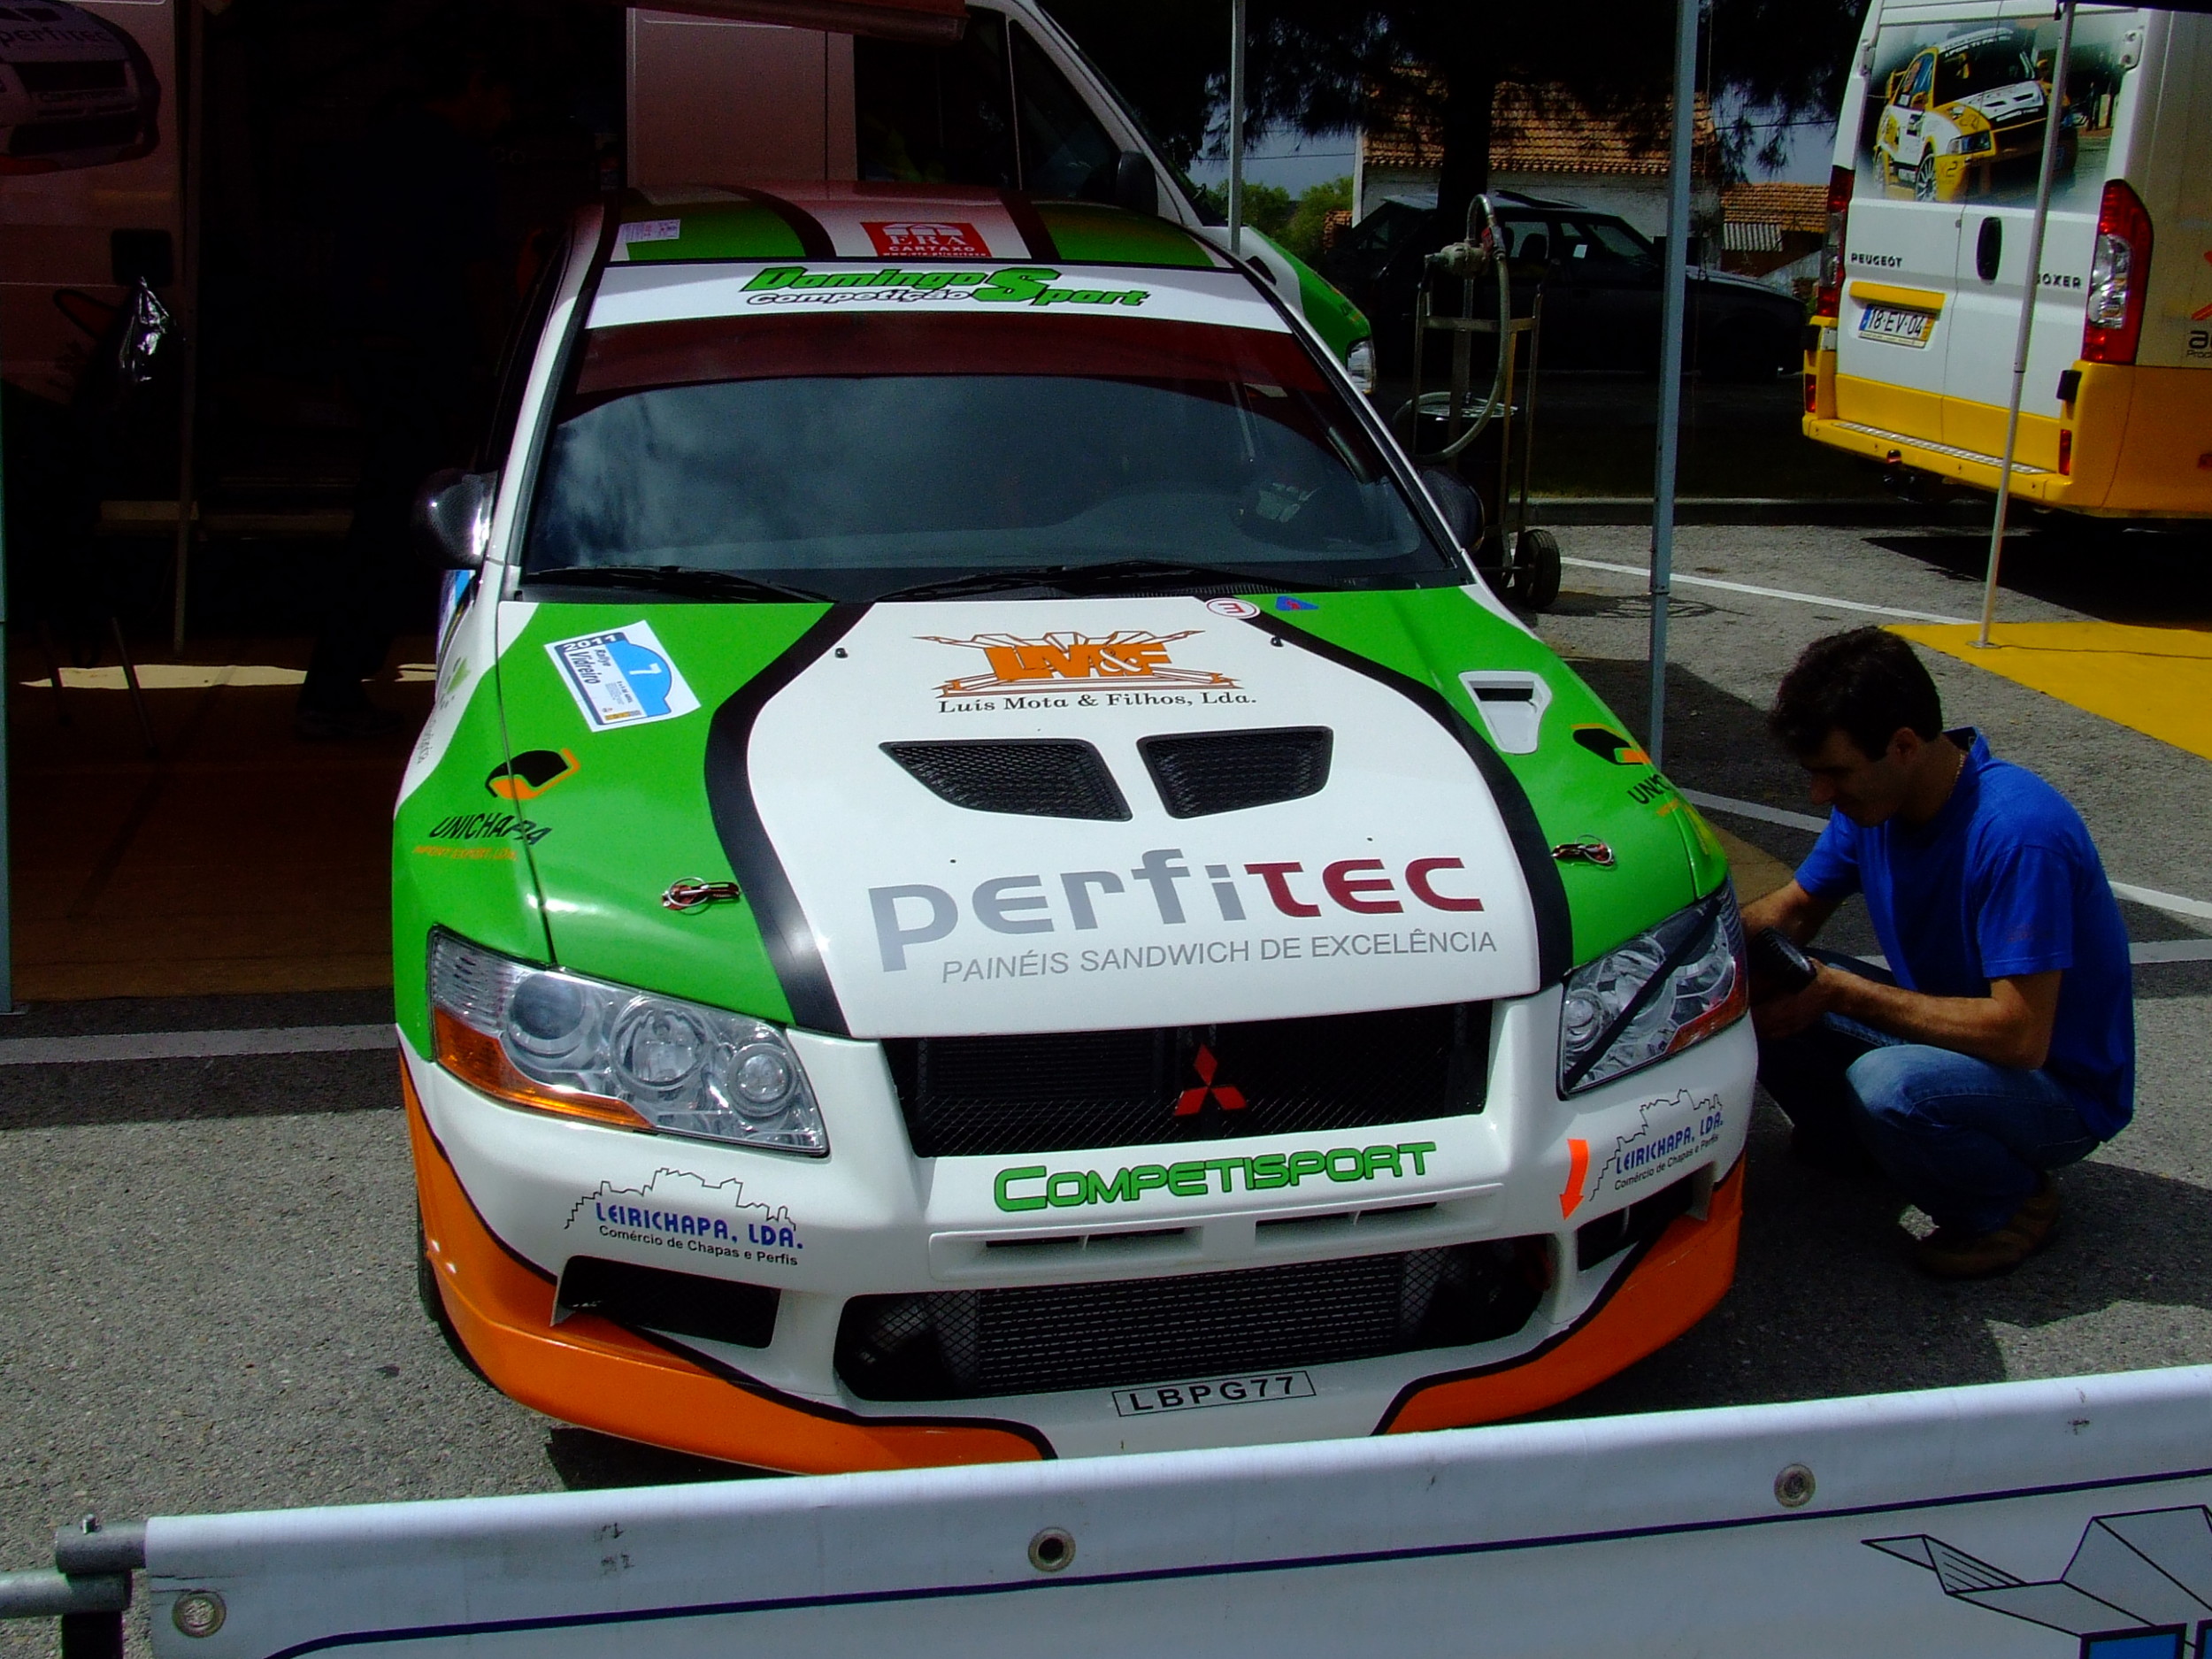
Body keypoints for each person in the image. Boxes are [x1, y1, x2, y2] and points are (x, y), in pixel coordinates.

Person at [1744, 627, 2135, 1279]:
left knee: (1890, 1086)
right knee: (1771, 978)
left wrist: (1842, 991)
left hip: (2058, 1088)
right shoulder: (1880, 801)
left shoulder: (2018, 835)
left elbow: (2020, 1037)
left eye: (1834, 773)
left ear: (1903, 745)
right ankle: (1871, 1150)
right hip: (1961, 1041)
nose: (1819, 794)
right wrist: (1703, 957)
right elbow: (1797, 909)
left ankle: (2009, 1203)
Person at [296, 40, 513, 740]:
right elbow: (479, 274)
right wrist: (501, 359)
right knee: (416, 526)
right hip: (426, 365)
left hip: (376, 358)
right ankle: (336, 685)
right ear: (476, 82)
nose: (506, 115)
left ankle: (340, 680)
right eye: (502, 97)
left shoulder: (378, 147)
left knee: (387, 519)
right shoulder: (459, 162)